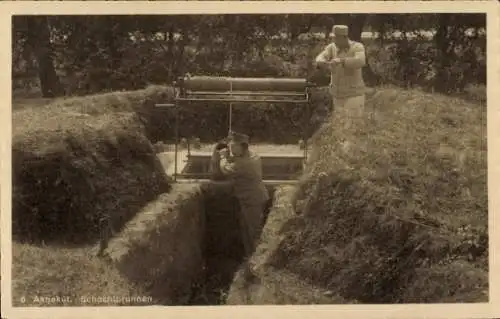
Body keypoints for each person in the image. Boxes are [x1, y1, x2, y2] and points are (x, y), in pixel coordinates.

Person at [211, 131, 270, 281]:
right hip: (251, 199)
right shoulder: (252, 156)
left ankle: (258, 266)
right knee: (246, 229)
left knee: (254, 232)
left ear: (241, 147)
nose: (230, 148)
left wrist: (223, 157)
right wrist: (229, 155)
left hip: (252, 201)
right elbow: (236, 160)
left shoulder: (244, 163)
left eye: (232, 145)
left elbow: (225, 170)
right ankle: (250, 260)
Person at [315, 24, 367, 127]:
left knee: (351, 129)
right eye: (333, 38)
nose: (334, 41)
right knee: (339, 128)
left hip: (354, 95)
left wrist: (342, 61)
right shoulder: (332, 47)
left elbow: (360, 61)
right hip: (337, 95)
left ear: (344, 38)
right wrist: (323, 62)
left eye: (336, 38)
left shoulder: (357, 47)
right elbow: (319, 57)